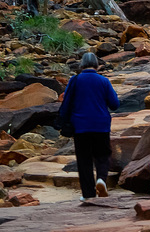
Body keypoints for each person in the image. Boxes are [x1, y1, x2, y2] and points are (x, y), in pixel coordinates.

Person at [58, 52, 120, 202]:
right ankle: (101, 180)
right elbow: (115, 105)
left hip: (80, 126)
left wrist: (63, 121)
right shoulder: (104, 81)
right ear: (97, 65)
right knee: (103, 155)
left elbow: (66, 104)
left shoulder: (75, 80)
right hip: (101, 125)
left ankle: (88, 193)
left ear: (81, 65)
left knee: (84, 159)